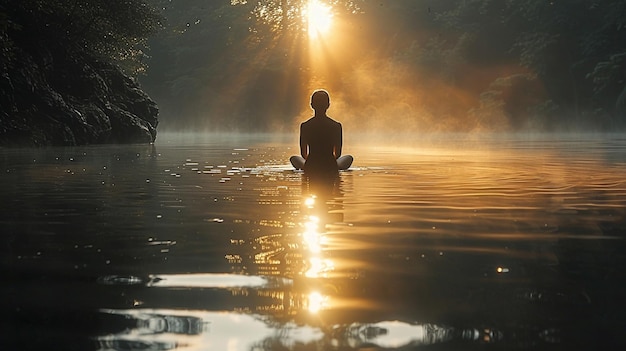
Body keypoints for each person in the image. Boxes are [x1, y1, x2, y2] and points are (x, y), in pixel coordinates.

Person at [290, 90, 353, 175]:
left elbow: (303, 154)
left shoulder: (305, 126)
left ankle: (309, 165)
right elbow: (338, 154)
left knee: (294, 158)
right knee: (348, 158)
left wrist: (313, 161)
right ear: (328, 105)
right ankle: (332, 165)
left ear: (312, 105)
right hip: (330, 165)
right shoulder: (336, 126)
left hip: (311, 165)